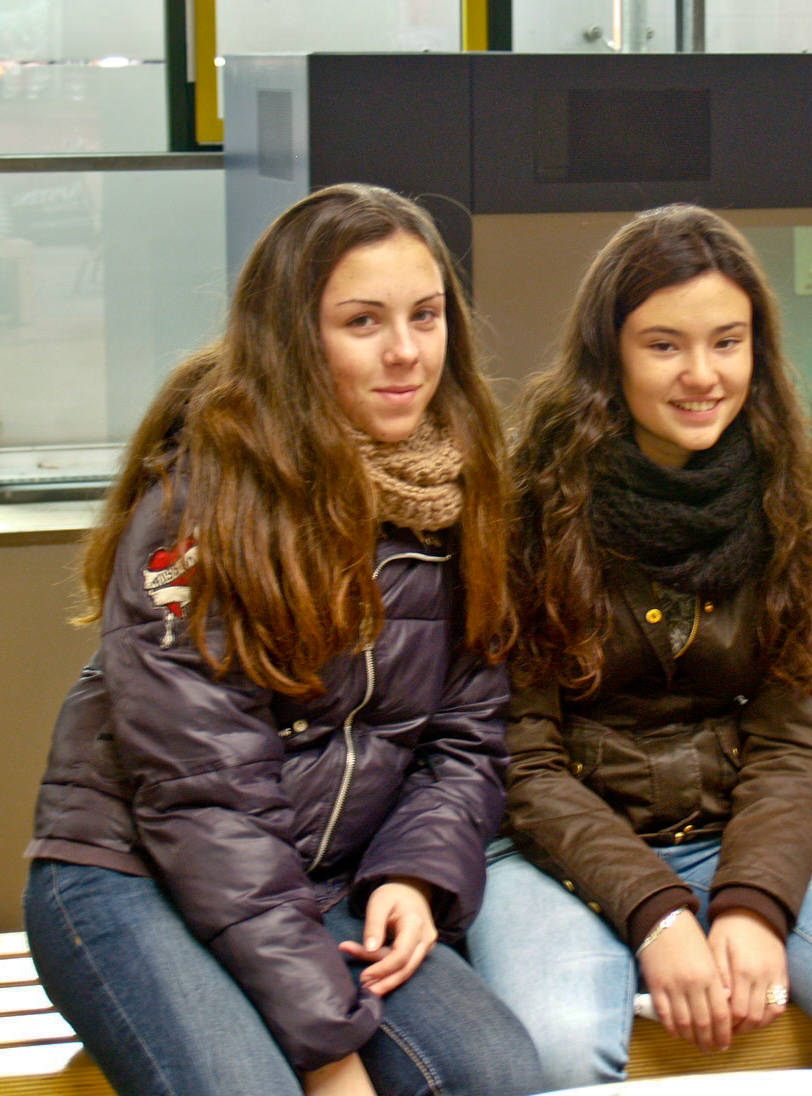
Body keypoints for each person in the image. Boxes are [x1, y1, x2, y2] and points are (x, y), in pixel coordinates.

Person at [24, 183, 543, 1096]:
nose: (406, 352)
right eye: (362, 321)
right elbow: (204, 801)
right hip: (135, 872)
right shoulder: (200, 508)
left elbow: (466, 738)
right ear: (293, 338)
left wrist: (414, 875)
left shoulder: (459, 492)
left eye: (425, 316)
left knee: (491, 1072)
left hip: (322, 877)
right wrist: (329, 1052)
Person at [467, 203, 812, 1088]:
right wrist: (657, 912)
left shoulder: (787, 494)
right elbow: (521, 761)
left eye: (726, 343)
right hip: (551, 847)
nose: (701, 375)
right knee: (556, 1051)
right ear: (610, 354)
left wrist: (753, 901)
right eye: (664, 345)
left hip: (729, 829)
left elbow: (793, 738)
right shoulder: (526, 504)